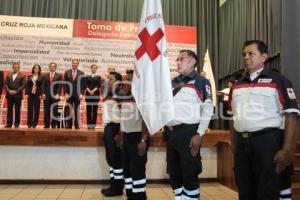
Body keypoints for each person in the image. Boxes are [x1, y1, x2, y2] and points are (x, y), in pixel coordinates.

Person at [228, 40, 300, 200]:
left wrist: (287, 150)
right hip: (242, 145)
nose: (246, 57)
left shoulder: (279, 81)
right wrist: (234, 144)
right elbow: (232, 116)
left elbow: (292, 116)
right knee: (245, 191)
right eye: (244, 54)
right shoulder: (237, 85)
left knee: (267, 192)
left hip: (266, 143)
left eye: (251, 53)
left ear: (264, 57)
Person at [165, 50, 214, 199]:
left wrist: (199, 134)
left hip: (188, 133)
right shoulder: (173, 82)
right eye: (177, 60)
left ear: (192, 62)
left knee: (189, 174)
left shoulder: (200, 82)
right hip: (171, 134)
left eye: (181, 59)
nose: (177, 62)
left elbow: (207, 109)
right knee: (174, 173)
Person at [120, 69, 149, 200]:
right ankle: (131, 195)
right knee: (127, 169)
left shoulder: (142, 97)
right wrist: (121, 135)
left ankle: (140, 196)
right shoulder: (126, 98)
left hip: (137, 138)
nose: (122, 83)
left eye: (127, 80)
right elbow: (124, 119)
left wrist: (143, 140)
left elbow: (146, 120)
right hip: (126, 137)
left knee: (137, 169)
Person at [101, 72, 124, 197]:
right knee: (110, 159)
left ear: (118, 81)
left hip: (116, 128)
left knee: (116, 160)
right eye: (108, 78)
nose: (108, 80)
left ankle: (118, 187)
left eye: (111, 78)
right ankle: (113, 184)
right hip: (108, 128)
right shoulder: (108, 93)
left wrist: (120, 133)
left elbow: (124, 114)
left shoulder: (120, 94)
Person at [63, 59, 84, 129]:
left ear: (78, 64)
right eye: (73, 63)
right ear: (71, 63)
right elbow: (64, 84)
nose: (74, 64)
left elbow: (82, 85)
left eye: (76, 63)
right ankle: (69, 124)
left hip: (77, 95)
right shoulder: (67, 72)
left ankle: (77, 125)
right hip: (69, 94)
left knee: (77, 110)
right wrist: (65, 93)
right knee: (69, 109)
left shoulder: (81, 73)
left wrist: (81, 94)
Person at [4, 62, 26, 128]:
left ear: (19, 68)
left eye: (17, 67)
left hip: (18, 95)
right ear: (12, 68)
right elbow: (5, 84)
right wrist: (9, 91)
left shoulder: (22, 75)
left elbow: (23, 85)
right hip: (9, 95)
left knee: (17, 110)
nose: (15, 68)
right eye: (14, 67)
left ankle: (16, 124)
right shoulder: (9, 75)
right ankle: (9, 124)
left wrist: (16, 91)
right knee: (9, 110)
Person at [42, 62, 62, 128]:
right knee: (46, 111)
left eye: (53, 66)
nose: (52, 67)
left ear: (56, 67)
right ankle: (46, 124)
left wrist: (58, 94)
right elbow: (43, 86)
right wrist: (43, 93)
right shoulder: (45, 75)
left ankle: (53, 124)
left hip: (55, 96)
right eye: (51, 66)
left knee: (54, 111)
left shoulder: (59, 76)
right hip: (46, 96)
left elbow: (59, 86)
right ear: (49, 67)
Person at [84, 64, 101, 129]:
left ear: (96, 69)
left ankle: (93, 125)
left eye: (95, 68)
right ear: (91, 68)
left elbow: (99, 85)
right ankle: (89, 125)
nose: (93, 69)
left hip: (96, 95)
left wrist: (93, 91)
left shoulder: (98, 77)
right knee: (88, 110)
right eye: (92, 68)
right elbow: (85, 84)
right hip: (88, 95)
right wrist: (89, 91)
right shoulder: (87, 76)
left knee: (94, 110)